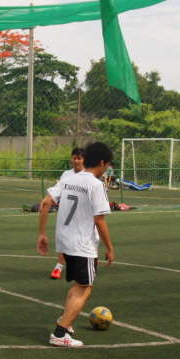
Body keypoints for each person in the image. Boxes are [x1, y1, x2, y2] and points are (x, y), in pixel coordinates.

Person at [37, 141, 114, 348]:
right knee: (85, 288)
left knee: (78, 285)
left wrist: (42, 234)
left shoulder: (69, 179)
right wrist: (109, 247)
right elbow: (99, 220)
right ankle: (59, 332)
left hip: (64, 241)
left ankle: (66, 322)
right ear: (101, 162)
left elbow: (45, 203)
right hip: (83, 244)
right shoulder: (96, 185)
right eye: (108, 164)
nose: (108, 168)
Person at [50, 147, 84, 280]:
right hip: (67, 215)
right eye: (74, 158)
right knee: (65, 240)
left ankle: (89, 259)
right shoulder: (66, 174)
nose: (76, 161)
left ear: (84, 160)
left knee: (82, 240)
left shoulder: (88, 176)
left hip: (82, 215)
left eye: (79, 158)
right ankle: (59, 267)